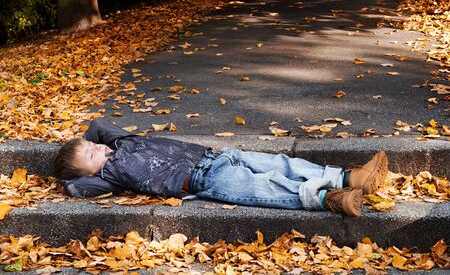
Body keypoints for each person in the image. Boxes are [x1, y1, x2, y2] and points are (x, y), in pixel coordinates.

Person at [53, 118, 388, 217]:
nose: (98, 147)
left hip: (219, 154)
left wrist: (87, 146)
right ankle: (330, 198)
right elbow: (76, 187)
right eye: (92, 155)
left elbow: (98, 125)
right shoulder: (109, 176)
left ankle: (348, 176)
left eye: (93, 145)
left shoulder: (122, 143)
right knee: (267, 186)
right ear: (92, 173)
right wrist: (75, 173)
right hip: (205, 179)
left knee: (279, 162)